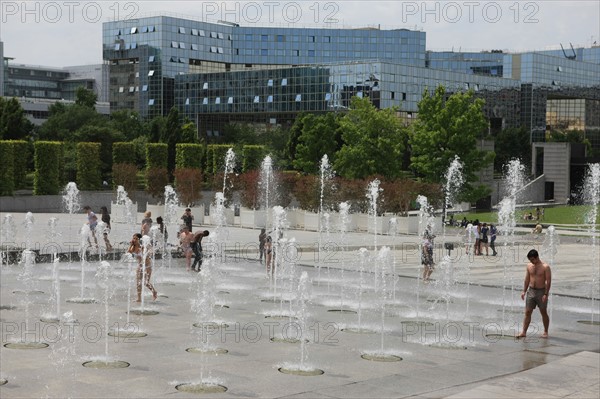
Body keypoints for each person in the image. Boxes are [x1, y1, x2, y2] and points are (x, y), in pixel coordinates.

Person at [516, 249, 551, 339]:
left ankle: (545, 331)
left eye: (532, 260)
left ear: (537, 257)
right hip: (531, 291)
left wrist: (546, 294)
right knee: (527, 312)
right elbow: (527, 279)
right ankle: (524, 332)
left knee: (543, 312)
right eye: (530, 260)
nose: (531, 262)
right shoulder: (529, 266)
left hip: (541, 291)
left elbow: (548, 281)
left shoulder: (545, 267)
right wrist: (524, 291)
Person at [128, 233, 158, 302]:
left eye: (136, 238)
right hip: (140, 266)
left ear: (139, 239)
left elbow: (150, 250)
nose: (134, 240)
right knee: (138, 282)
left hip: (147, 266)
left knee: (146, 283)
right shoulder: (133, 246)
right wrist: (131, 245)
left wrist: (148, 253)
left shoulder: (143, 247)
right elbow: (129, 252)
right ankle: (139, 298)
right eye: (133, 238)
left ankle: (154, 292)